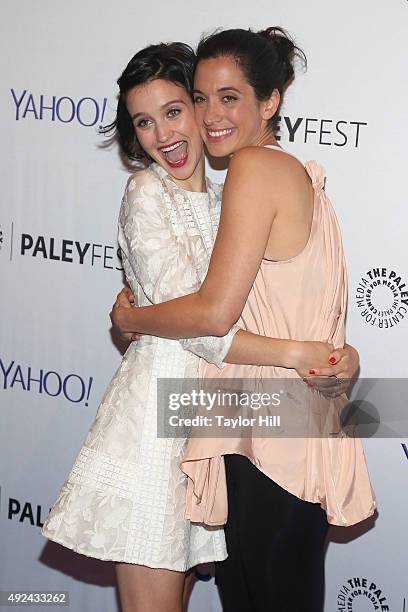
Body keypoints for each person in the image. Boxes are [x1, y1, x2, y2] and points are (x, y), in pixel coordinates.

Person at [111, 28, 376, 612]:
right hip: (281, 425)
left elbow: (214, 312)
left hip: (267, 433)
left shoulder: (253, 170)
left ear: (270, 101)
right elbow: (304, 302)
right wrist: (333, 353)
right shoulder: (297, 176)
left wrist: (136, 319)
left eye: (228, 97)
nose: (209, 115)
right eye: (201, 98)